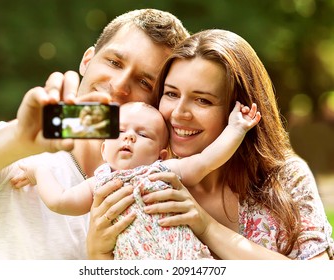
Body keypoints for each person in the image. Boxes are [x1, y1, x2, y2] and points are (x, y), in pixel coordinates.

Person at [86, 29, 334, 260]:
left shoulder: (285, 179)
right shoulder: (143, 175)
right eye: (171, 94)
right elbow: (64, 126)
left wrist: (207, 227)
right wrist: (98, 254)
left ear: (239, 109)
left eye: (202, 100)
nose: (179, 113)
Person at [0, 9, 190, 259]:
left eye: (144, 82)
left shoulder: (157, 193)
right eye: (114, 62)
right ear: (88, 60)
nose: (118, 86)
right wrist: (18, 139)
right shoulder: (17, 154)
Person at [14, 101, 260, 259]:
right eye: (119, 131)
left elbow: (206, 160)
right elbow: (60, 202)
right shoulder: (99, 184)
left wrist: (236, 129)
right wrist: (38, 171)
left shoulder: (163, 169)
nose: (129, 137)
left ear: (160, 154)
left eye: (143, 134)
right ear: (103, 150)